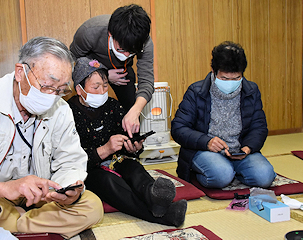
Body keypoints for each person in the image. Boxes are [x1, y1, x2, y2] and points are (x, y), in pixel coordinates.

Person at [0, 37, 103, 239]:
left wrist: (67, 188)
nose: (52, 96)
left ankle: (11, 222)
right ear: (21, 72)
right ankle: (29, 222)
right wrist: (1, 188)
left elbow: (71, 160)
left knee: (93, 207)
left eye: (61, 90)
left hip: (41, 198)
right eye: (47, 85)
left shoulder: (60, 109)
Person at [68, 57, 187, 227]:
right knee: (110, 183)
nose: (102, 91)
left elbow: (126, 138)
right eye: (95, 87)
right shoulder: (68, 113)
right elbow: (70, 160)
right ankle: (165, 216)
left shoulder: (112, 106)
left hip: (117, 160)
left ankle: (156, 198)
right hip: (88, 169)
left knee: (134, 169)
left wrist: (134, 147)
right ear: (79, 90)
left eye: (105, 86)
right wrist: (105, 149)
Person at [171, 41, 276, 189]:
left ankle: (234, 170)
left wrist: (248, 147)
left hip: (239, 152)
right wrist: (206, 142)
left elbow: (259, 126)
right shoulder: (196, 91)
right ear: (213, 71)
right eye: (225, 79)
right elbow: (178, 128)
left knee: (265, 177)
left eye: (236, 78)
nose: (230, 83)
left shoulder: (251, 91)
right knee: (221, 176)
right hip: (204, 150)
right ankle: (210, 171)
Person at [70, 4, 154, 138]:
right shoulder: (89, 32)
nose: (126, 55)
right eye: (121, 49)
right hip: (91, 71)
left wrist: (135, 111)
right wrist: (105, 76)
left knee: (131, 109)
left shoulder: (144, 42)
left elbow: (147, 81)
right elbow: (72, 62)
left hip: (123, 72)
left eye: (131, 52)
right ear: (110, 34)